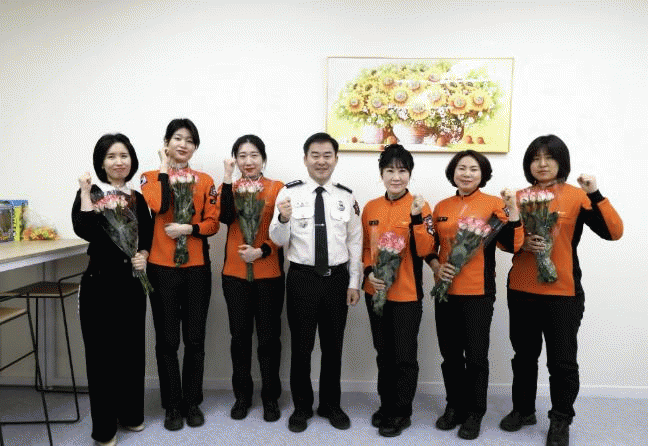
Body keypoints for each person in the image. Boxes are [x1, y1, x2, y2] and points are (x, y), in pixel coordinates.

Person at [499, 135, 623, 446]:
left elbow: (613, 232)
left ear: (561, 162)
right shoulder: (517, 197)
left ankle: (561, 418)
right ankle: (523, 410)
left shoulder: (576, 196)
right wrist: (522, 243)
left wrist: (595, 193)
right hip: (522, 290)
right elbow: (501, 241)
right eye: (535, 159)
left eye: (549, 158)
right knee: (523, 357)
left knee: (562, 362)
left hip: (563, 293)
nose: (542, 164)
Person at [269, 132, 362, 433]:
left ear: (336, 159)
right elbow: (277, 239)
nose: (321, 161)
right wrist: (283, 219)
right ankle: (302, 407)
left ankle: (331, 404)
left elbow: (355, 242)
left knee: (333, 347)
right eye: (315, 155)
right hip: (302, 279)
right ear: (305, 158)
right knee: (302, 347)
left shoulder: (347, 196)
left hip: (337, 280)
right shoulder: (288, 193)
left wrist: (354, 282)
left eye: (327, 156)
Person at [428, 150, 523, 440]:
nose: (467, 174)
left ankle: (475, 411)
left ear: (482, 174)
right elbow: (429, 246)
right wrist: (436, 266)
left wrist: (514, 212)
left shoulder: (494, 205)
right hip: (446, 293)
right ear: (453, 172)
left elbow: (512, 244)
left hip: (478, 293)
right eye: (461, 168)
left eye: (473, 169)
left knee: (476, 357)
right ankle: (454, 406)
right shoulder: (441, 206)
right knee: (450, 356)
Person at [72, 133, 153, 446]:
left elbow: (147, 236)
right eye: (111, 157)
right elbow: (85, 229)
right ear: (101, 163)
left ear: (131, 160)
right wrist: (84, 191)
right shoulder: (91, 193)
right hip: (100, 284)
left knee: (131, 352)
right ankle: (104, 429)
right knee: (102, 357)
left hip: (132, 285)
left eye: (124, 156)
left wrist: (143, 255)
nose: (119, 162)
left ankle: (131, 414)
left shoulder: (137, 197)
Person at [140, 118, 219, 431]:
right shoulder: (149, 178)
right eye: (177, 138)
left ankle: (192, 402)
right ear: (166, 143)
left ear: (195, 147)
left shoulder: (205, 180)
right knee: (167, 341)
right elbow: (159, 205)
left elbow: (212, 223)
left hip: (197, 268)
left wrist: (189, 228)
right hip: (161, 268)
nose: (183, 144)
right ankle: (172, 404)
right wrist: (164, 168)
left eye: (189, 140)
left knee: (195, 339)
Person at [362, 144, 436, 437]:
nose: (396, 177)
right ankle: (386, 405)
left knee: (404, 356)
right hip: (376, 294)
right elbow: (364, 249)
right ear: (381, 174)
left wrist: (416, 217)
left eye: (402, 171)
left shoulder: (420, 206)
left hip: (406, 295)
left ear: (409, 174)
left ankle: (401, 411)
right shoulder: (370, 208)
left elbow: (427, 249)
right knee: (384, 354)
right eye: (390, 170)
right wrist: (368, 273)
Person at [218, 135, 285, 422]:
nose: (248, 161)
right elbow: (223, 217)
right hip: (235, 275)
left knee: (269, 339)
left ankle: (270, 397)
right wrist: (226, 177)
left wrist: (261, 251)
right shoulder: (230, 188)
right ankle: (242, 397)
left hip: (269, 273)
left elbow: (284, 230)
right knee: (240, 339)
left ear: (263, 159)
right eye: (242, 155)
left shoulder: (277, 188)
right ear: (235, 159)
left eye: (254, 155)